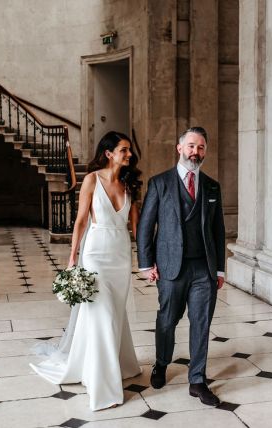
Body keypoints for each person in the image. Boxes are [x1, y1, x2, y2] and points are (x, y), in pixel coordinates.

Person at [30, 131, 142, 411]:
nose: (129, 155)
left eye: (129, 151)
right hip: (95, 255)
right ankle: (104, 387)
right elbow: (80, 221)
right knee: (101, 315)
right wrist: (72, 257)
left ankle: (117, 363)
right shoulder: (92, 179)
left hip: (120, 255)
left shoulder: (129, 184)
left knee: (115, 313)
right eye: (124, 150)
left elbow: (137, 226)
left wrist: (147, 258)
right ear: (109, 153)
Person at [137, 126, 225, 406]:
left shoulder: (212, 186)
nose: (195, 152)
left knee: (201, 323)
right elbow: (145, 227)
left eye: (200, 147)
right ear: (179, 148)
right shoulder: (160, 183)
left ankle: (197, 380)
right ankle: (161, 363)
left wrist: (220, 269)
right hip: (170, 268)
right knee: (168, 319)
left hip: (204, 269)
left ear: (205, 151)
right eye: (190, 146)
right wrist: (145, 263)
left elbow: (218, 230)